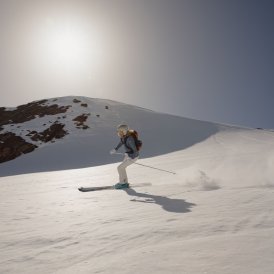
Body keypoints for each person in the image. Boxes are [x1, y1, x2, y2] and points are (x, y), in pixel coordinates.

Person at [110, 124, 139, 189]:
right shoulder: (124, 137)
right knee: (122, 168)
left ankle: (122, 183)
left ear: (124, 131)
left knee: (120, 168)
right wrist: (115, 149)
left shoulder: (130, 139)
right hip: (128, 155)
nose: (119, 133)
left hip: (133, 157)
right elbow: (121, 142)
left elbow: (135, 150)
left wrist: (131, 156)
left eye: (120, 131)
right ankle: (125, 182)